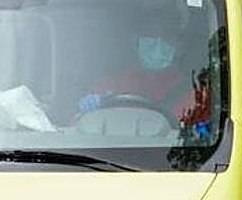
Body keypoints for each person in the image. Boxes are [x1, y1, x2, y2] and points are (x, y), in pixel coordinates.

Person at [79, 24, 213, 137]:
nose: (158, 48)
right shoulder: (105, 87)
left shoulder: (194, 94)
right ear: (135, 43)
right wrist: (85, 111)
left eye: (166, 41)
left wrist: (202, 127)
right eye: (151, 40)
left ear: (179, 48)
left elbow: (204, 138)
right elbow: (74, 134)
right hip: (104, 161)